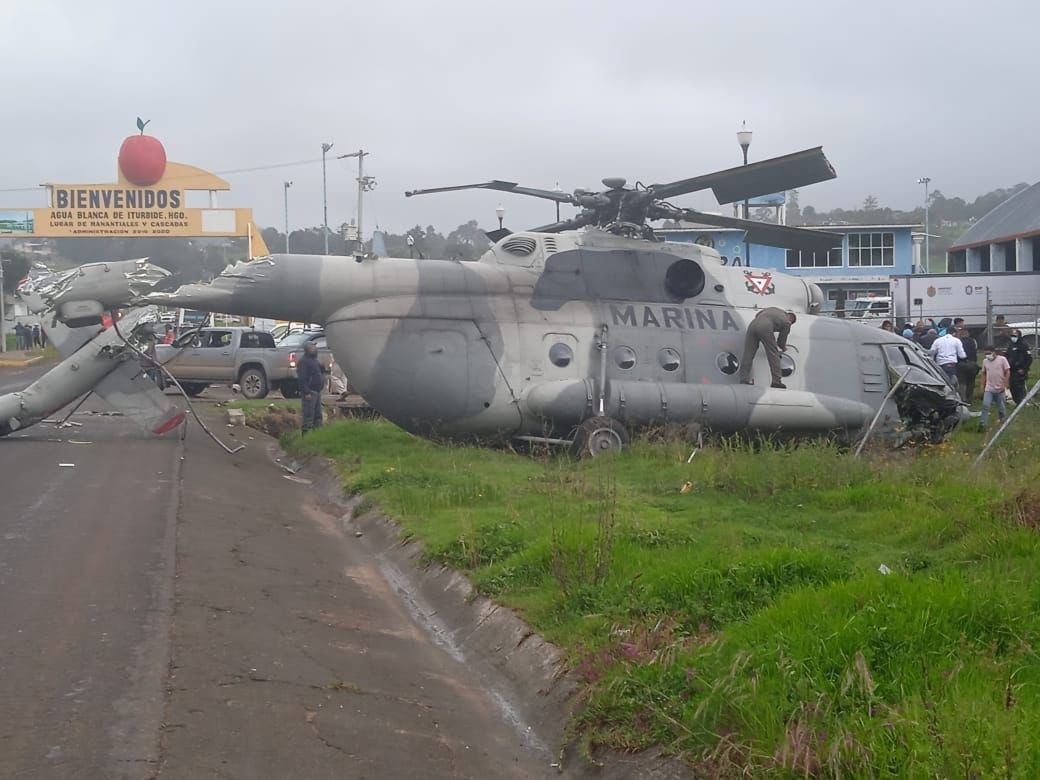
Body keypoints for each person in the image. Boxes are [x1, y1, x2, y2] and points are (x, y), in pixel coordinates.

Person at [739, 308, 796, 389]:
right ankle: (776, 381)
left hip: (753, 324)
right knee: (773, 353)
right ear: (791, 319)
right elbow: (780, 342)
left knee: (748, 354)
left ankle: (743, 379)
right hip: (766, 326)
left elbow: (758, 314)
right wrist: (783, 348)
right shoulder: (787, 322)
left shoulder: (774, 310)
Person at [297, 341, 326, 434]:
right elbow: (302, 378)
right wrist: (306, 392)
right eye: (313, 346)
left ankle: (317, 436)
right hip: (310, 392)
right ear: (307, 349)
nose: (315, 348)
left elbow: (321, 372)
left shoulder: (315, 360)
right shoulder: (303, 361)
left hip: (317, 392)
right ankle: (305, 437)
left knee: (318, 416)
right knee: (308, 416)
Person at [978, 345, 1010, 431]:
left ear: (994, 352)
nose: (987, 355)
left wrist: (1005, 384)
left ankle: (1003, 421)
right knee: (985, 405)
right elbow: (984, 373)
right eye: (985, 354)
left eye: (989, 353)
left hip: (1000, 388)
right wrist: (982, 385)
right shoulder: (985, 361)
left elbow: (1007, 371)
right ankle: (982, 424)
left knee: (1001, 407)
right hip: (989, 388)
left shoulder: (1002, 359)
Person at [1006, 328, 1032, 404]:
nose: (1013, 337)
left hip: (1019, 371)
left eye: (1015, 335)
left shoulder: (1024, 345)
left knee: (1019, 387)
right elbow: (1008, 356)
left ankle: (1021, 402)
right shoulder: (1011, 345)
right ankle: (1017, 402)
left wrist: (1024, 369)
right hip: (1011, 370)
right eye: (1012, 335)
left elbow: (1029, 359)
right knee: (1012, 387)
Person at [955, 327, 980, 403]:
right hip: (972, 363)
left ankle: (963, 399)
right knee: (971, 381)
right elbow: (976, 350)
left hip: (961, 363)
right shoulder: (973, 341)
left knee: (962, 382)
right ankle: (969, 399)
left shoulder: (957, 341)